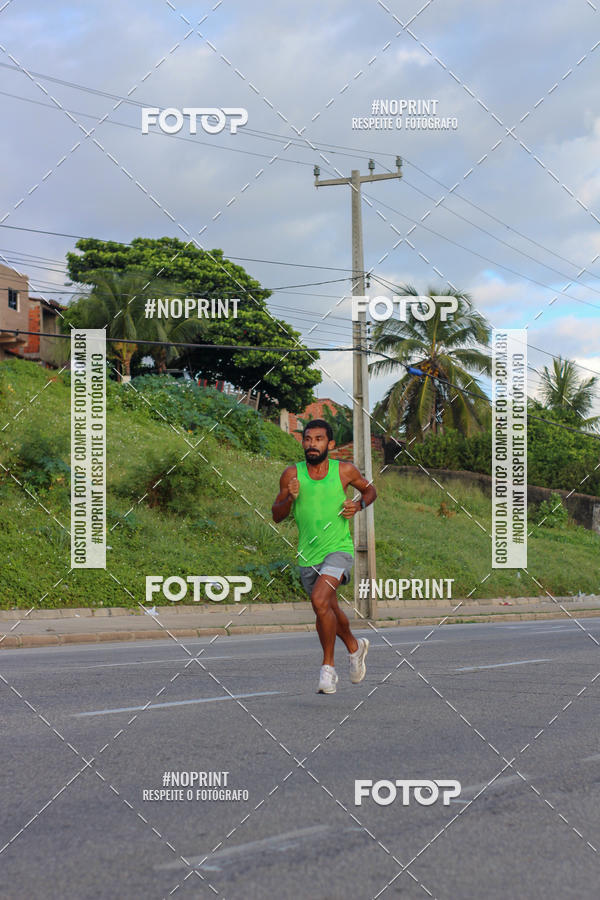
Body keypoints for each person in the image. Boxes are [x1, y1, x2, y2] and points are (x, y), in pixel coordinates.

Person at [272, 419, 377, 694]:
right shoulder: (291, 475)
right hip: (308, 554)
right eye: (307, 439)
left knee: (319, 601)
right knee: (328, 608)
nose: (311, 444)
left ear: (330, 444)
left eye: (318, 439)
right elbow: (277, 515)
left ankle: (327, 668)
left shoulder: (344, 470)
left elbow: (370, 490)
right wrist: (290, 499)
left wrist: (357, 505)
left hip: (338, 548)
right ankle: (355, 648)